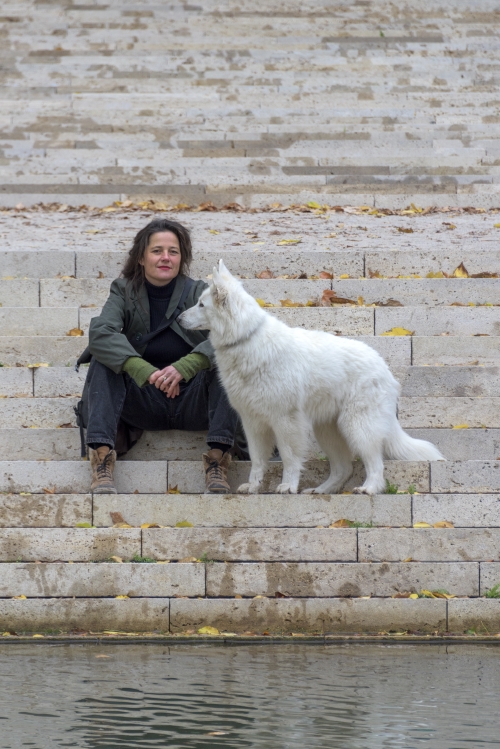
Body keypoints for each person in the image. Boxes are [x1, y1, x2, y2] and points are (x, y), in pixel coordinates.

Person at [81, 218, 240, 494]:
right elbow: (101, 333)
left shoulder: (198, 292)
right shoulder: (124, 290)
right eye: (157, 251)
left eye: (173, 251)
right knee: (103, 361)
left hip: (194, 401)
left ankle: (218, 463)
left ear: (182, 258)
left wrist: (186, 366)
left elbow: (231, 332)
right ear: (141, 258)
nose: (165, 257)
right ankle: (102, 462)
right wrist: (144, 370)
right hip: (145, 399)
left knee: (228, 361)